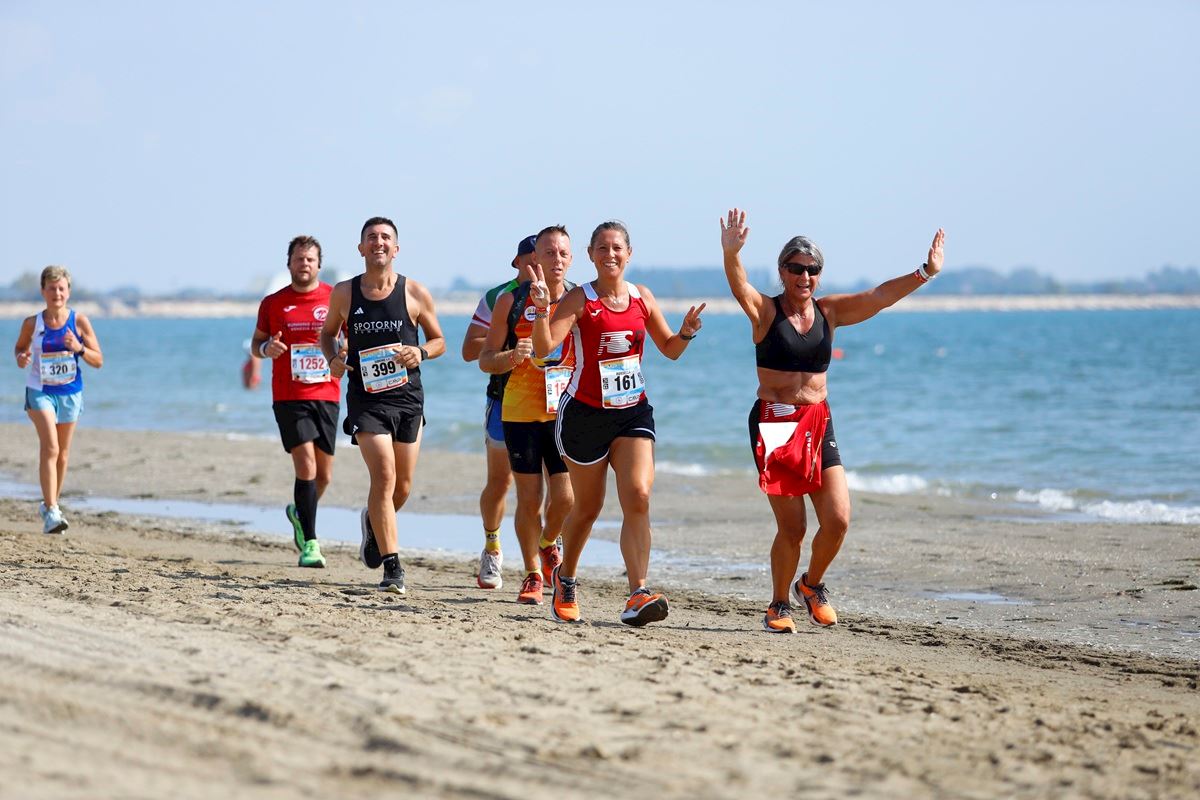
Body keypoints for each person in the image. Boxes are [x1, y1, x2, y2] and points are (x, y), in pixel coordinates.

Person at [719, 208, 945, 633]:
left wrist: (924, 272)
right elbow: (739, 286)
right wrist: (731, 253)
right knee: (794, 527)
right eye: (796, 269)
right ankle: (778, 604)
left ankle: (812, 585)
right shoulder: (766, 313)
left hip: (818, 422)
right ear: (783, 272)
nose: (805, 277)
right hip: (775, 422)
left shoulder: (830, 312)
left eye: (812, 270)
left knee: (838, 519)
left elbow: (878, 297)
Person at [530, 221, 705, 626]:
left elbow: (670, 350)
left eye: (618, 248)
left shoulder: (643, 297)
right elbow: (543, 347)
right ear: (591, 255)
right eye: (603, 248)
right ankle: (567, 577)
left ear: (629, 254)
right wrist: (541, 310)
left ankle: (638, 592)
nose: (611, 255)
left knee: (639, 495)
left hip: (632, 410)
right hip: (585, 415)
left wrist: (686, 333)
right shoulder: (580, 298)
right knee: (587, 509)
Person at [320, 216, 445, 594]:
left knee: (402, 486)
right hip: (366, 399)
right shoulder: (344, 293)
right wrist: (334, 359)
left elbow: (439, 341)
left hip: (408, 398)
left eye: (385, 237)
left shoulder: (415, 292)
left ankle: (372, 523)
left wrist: (419, 351)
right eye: (371, 237)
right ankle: (393, 568)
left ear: (396, 248)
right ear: (361, 248)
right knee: (385, 477)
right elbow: (328, 335)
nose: (379, 242)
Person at [479, 226, 576, 605]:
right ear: (534, 256)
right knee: (529, 499)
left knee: (566, 499)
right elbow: (486, 359)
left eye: (561, 253)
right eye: (546, 253)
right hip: (519, 412)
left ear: (571, 258)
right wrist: (512, 357)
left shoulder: (579, 299)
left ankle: (550, 541)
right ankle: (533, 573)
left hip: (565, 411)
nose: (554, 260)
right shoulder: (510, 300)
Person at [250, 235, 346, 568]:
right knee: (305, 466)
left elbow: (349, 336)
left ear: (319, 264)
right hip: (289, 396)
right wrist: (267, 350)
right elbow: (256, 345)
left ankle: (298, 512)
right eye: (298, 258)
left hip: (327, 392)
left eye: (310, 259)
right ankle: (312, 545)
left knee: (324, 476)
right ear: (289, 262)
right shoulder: (274, 303)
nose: (303, 264)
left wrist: (345, 349)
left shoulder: (335, 297)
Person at [459, 234, 538, 590]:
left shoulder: (568, 292)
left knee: (554, 484)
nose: (540, 264)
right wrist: (507, 341)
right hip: (504, 397)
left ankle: (547, 553)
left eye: (549, 256)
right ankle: (492, 548)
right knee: (502, 481)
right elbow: (469, 349)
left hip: (552, 401)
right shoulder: (498, 297)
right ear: (516, 263)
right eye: (532, 258)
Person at [12, 266, 104, 534]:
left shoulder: (79, 322)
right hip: (39, 390)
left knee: (62, 455)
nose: (57, 293)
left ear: (68, 292)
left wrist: (79, 348)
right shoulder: (32, 323)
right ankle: (52, 512)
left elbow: (98, 360)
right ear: (43, 291)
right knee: (50, 447)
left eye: (61, 288)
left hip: (70, 393)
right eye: (51, 288)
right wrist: (21, 357)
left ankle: (50, 503)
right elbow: (20, 348)